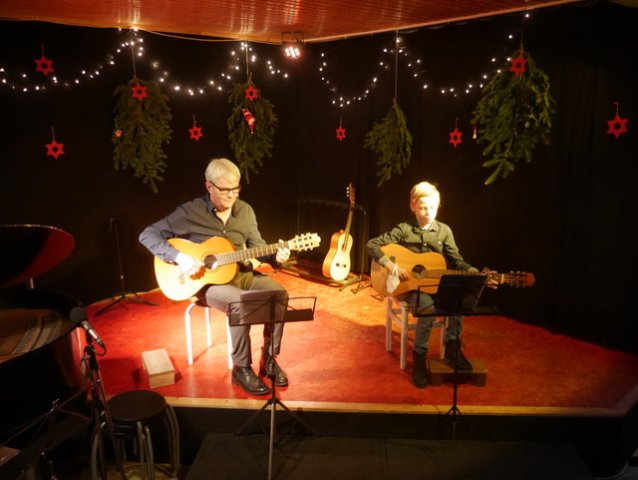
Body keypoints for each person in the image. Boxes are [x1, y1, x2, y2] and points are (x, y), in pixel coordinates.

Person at [139, 157, 291, 396]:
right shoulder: (189, 212)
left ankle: (269, 359)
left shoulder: (245, 211)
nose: (231, 195)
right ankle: (241, 368)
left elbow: (258, 247)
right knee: (240, 302)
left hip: (240, 274)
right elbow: (148, 234)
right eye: (224, 189)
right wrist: (180, 257)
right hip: (205, 283)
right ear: (209, 186)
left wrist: (275, 256)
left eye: (236, 189)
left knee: (278, 294)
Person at [366, 181, 490, 388]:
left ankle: (453, 349)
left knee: (459, 300)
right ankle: (419, 358)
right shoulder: (404, 229)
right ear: (412, 206)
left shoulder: (444, 231)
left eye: (432, 207)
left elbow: (457, 260)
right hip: (410, 287)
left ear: (438, 206)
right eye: (423, 207)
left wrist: (473, 272)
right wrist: (390, 265)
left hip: (437, 284)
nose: (428, 212)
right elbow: (372, 244)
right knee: (427, 308)